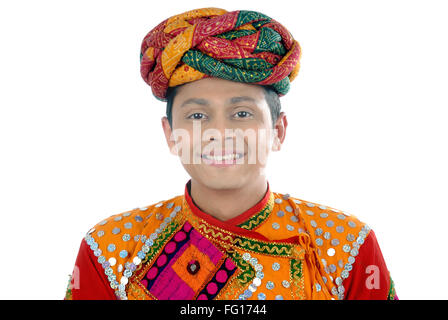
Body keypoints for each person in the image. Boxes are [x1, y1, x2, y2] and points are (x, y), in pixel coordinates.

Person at [65, 7, 397, 300]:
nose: (219, 133)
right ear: (170, 134)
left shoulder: (345, 246)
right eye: (197, 115)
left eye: (241, 114)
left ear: (278, 131)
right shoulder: (111, 251)